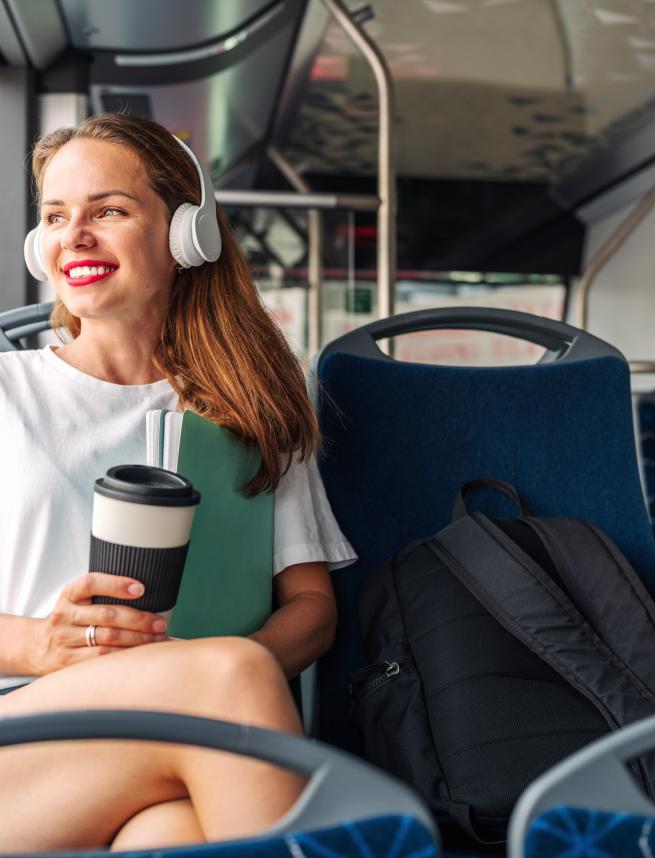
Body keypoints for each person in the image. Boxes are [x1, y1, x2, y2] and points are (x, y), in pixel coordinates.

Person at [0, 113, 356, 851]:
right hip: (20, 737)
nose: (76, 236)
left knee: (175, 833)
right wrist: (41, 646)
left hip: (165, 740)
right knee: (225, 674)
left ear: (187, 233)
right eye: (57, 217)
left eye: (110, 211)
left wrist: (204, 673)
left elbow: (313, 610)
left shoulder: (248, 400)